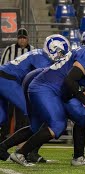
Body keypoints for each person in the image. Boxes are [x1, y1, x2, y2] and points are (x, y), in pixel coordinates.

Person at [6, 26, 85, 167]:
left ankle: (78, 157)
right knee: (58, 125)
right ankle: (21, 153)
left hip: (60, 90)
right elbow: (69, 80)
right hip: (46, 87)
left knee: (83, 116)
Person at [0, 34, 70, 162]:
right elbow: (47, 83)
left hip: (5, 78)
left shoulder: (38, 54)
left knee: (2, 117)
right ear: (53, 49)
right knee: (37, 116)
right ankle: (27, 151)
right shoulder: (42, 59)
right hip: (8, 81)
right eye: (61, 53)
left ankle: (4, 149)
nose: (62, 57)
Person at [0, 28, 35, 142]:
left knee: (22, 114)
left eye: (24, 38)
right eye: (20, 38)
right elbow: (2, 66)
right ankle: (3, 136)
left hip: (24, 86)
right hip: (9, 84)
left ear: (27, 39)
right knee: (7, 112)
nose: (22, 40)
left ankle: (20, 137)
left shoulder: (32, 50)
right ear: (17, 39)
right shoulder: (10, 49)